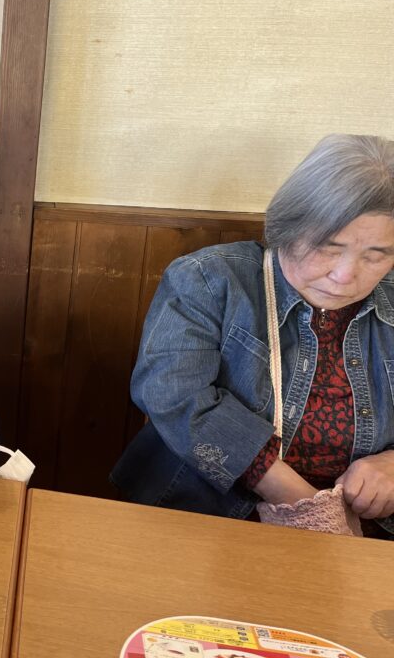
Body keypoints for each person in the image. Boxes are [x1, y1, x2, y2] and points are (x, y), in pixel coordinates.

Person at [112, 134, 394, 536]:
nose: (346, 275)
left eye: (376, 255)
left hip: (365, 528)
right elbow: (172, 394)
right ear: (290, 225)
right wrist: (304, 504)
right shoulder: (209, 280)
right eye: (329, 248)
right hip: (208, 514)